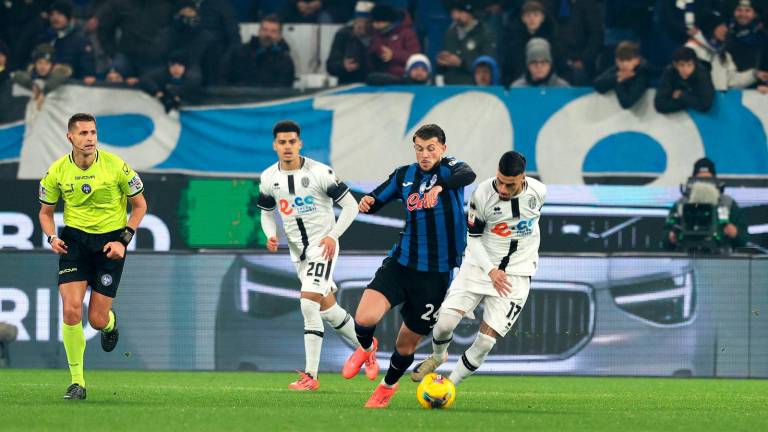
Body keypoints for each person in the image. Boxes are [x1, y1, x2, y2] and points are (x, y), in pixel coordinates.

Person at [343, 124, 476, 408]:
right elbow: (376, 199)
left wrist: (440, 186)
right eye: (419, 148)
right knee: (364, 320)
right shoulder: (405, 175)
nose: (425, 154)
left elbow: (470, 175)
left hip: (436, 276)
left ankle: (386, 388)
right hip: (401, 263)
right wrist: (368, 202)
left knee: (405, 346)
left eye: (431, 148)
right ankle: (368, 348)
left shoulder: (451, 169)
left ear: (442, 148)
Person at [410, 151, 546, 385]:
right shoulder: (483, 193)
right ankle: (438, 356)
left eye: (509, 184)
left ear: (523, 177)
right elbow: (473, 238)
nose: (502, 189)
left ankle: (448, 385)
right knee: (443, 325)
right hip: (479, 266)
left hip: (516, 274)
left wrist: (510, 266)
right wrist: (491, 270)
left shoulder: (539, 193)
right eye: (500, 181)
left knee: (485, 342)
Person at [38, 113, 147, 400]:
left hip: (110, 243)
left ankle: (110, 324)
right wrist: (52, 237)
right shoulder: (57, 171)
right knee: (71, 308)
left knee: (97, 319)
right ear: (70, 138)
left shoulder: (116, 167)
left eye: (93, 133)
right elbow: (45, 213)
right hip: (74, 242)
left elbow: (140, 206)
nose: (89, 139)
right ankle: (77, 382)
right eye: (83, 133)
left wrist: (124, 240)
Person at [257, 120, 364, 390]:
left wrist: (333, 236)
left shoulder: (320, 172)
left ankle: (311, 377)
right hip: (298, 253)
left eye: (292, 141)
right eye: (282, 142)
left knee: (308, 305)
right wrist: (270, 233)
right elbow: (267, 211)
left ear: (300, 143)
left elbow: (351, 207)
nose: (287, 147)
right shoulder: (269, 177)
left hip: (323, 246)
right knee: (328, 310)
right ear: (275, 145)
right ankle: (367, 345)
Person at [664, 157, 748, 252]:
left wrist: (735, 233)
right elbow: (665, 240)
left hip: (720, 259)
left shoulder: (727, 203)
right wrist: (671, 237)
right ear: (692, 181)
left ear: (715, 181)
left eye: (708, 180)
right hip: (687, 257)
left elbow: (743, 239)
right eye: (700, 181)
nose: (704, 185)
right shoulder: (681, 204)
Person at [685, 12, 763, 90]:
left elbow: (732, 81)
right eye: (721, 26)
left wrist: (754, 75)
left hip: (719, 101)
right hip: (699, 101)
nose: (725, 29)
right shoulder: (690, 50)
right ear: (710, 28)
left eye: (725, 25)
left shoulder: (723, 54)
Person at [226, 14, 295, 87]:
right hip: (239, 96)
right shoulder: (238, 52)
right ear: (259, 31)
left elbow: (284, 87)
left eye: (273, 31)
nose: (268, 34)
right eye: (265, 30)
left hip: (271, 98)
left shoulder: (285, 61)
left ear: (279, 35)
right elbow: (225, 77)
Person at [438, 2, 497, 85]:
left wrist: (461, 63)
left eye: (460, 12)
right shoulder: (450, 33)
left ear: (469, 13)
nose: (456, 16)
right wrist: (442, 62)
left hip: (473, 88)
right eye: (453, 13)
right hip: (450, 88)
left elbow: (488, 64)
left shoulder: (484, 33)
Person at [367, 5, 421, 81]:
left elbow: (415, 57)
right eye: (374, 22)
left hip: (402, 75)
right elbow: (371, 57)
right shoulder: (376, 35)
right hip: (380, 75)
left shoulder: (407, 33)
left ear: (388, 21)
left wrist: (393, 55)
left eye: (379, 22)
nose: (375, 25)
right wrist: (376, 53)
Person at [654, 46, 715, 113]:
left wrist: (682, 96)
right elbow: (660, 105)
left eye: (689, 65)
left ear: (695, 64)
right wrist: (692, 100)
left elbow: (705, 105)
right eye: (682, 65)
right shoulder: (669, 72)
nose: (686, 70)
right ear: (675, 65)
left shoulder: (702, 74)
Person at [326, 1, 374, 85]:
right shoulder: (344, 35)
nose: (360, 25)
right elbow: (331, 66)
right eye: (358, 21)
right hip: (349, 83)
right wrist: (343, 66)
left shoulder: (378, 36)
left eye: (365, 22)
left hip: (372, 83)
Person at [593, 41, 651, 109]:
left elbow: (627, 102)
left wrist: (619, 83)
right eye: (621, 60)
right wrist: (617, 77)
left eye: (628, 60)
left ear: (637, 60)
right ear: (616, 61)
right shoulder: (617, 70)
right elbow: (597, 84)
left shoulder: (642, 73)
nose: (624, 64)